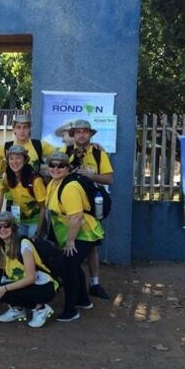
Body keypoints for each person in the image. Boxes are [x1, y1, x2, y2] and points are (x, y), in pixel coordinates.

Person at [45, 151, 103, 321]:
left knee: (69, 265)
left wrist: (70, 241)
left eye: (60, 165)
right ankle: (83, 300)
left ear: (68, 167)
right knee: (73, 265)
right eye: (52, 165)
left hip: (84, 233)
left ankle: (71, 310)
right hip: (73, 233)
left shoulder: (70, 187)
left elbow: (76, 217)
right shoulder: (54, 184)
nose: (56, 168)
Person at [67, 119, 114, 299]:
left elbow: (109, 179)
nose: (81, 134)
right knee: (68, 241)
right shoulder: (66, 152)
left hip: (93, 206)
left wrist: (90, 175)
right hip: (71, 205)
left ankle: (95, 283)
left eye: (85, 131)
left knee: (92, 245)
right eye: (78, 131)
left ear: (90, 134)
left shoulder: (98, 153)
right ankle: (71, 280)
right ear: (73, 135)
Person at [0, 212, 57, 328]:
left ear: (13, 227)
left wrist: (4, 287)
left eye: (7, 226)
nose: (3, 229)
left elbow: (31, 278)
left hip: (43, 285)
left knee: (3, 290)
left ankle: (40, 308)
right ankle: (18, 309)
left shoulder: (24, 244)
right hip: (23, 281)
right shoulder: (3, 244)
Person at [4, 144, 46, 238]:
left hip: (35, 221)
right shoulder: (8, 177)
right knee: (19, 245)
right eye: (11, 158)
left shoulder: (35, 180)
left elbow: (43, 208)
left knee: (31, 246)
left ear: (25, 160)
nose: (14, 162)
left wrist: (38, 232)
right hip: (18, 219)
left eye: (18, 158)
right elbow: (7, 195)